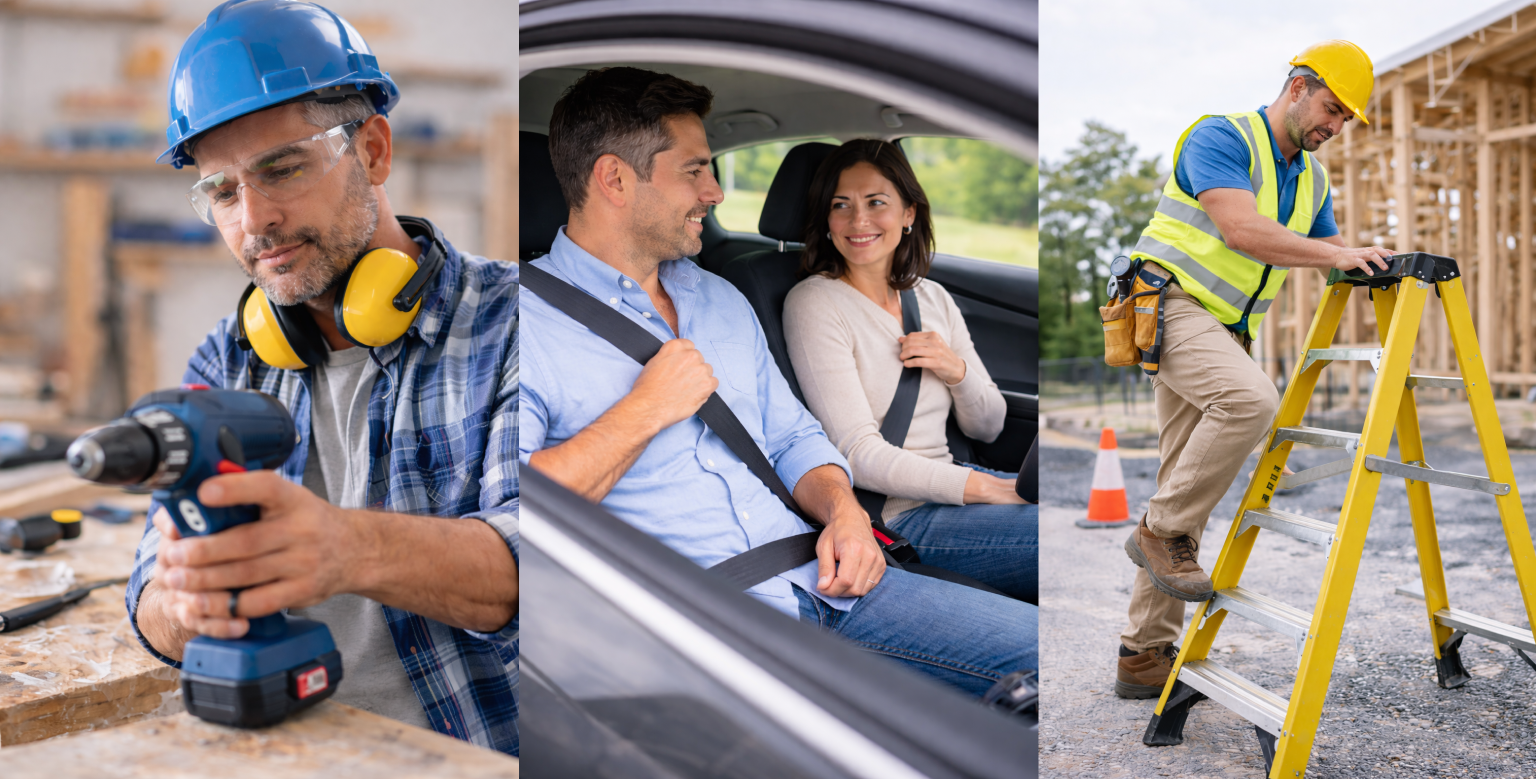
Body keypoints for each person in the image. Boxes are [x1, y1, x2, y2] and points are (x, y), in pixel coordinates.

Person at [520, 66, 1036, 698]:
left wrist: (844, 513)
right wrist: (645, 410)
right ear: (615, 179)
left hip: (828, 576)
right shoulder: (522, 322)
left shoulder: (718, 297)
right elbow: (515, 516)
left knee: (1043, 658)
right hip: (705, 623)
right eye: (695, 170)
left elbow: (794, 437)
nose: (715, 193)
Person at [121, 0, 519, 755]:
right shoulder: (228, 357)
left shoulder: (510, 324)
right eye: (223, 192)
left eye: (282, 168)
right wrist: (188, 592)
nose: (255, 221)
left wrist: (345, 547)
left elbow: (535, 568)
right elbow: (150, 607)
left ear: (371, 150)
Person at [1113, 40, 1392, 700]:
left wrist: (1380, 263)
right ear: (1297, 88)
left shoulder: (1314, 179)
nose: (1335, 126)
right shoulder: (1221, 137)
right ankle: (1155, 530)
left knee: (1186, 481)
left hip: (1226, 331)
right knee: (1248, 407)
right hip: (1167, 302)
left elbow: (1329, 256)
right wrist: (1341, 251)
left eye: (1346, 119)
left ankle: (1143, 654)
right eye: (1331, 109)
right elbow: (1240, 230)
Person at [781, 139, 1035, 602]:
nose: (859, 221)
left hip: (952, 479)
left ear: (909, 213)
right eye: (842, 205)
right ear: (826, 218)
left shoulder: (933, 298)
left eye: (876, 202)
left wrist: (955, 370)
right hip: (898, 512)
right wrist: (986, 488)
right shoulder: (816, 302)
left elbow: (990, 424)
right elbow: (856, 453)